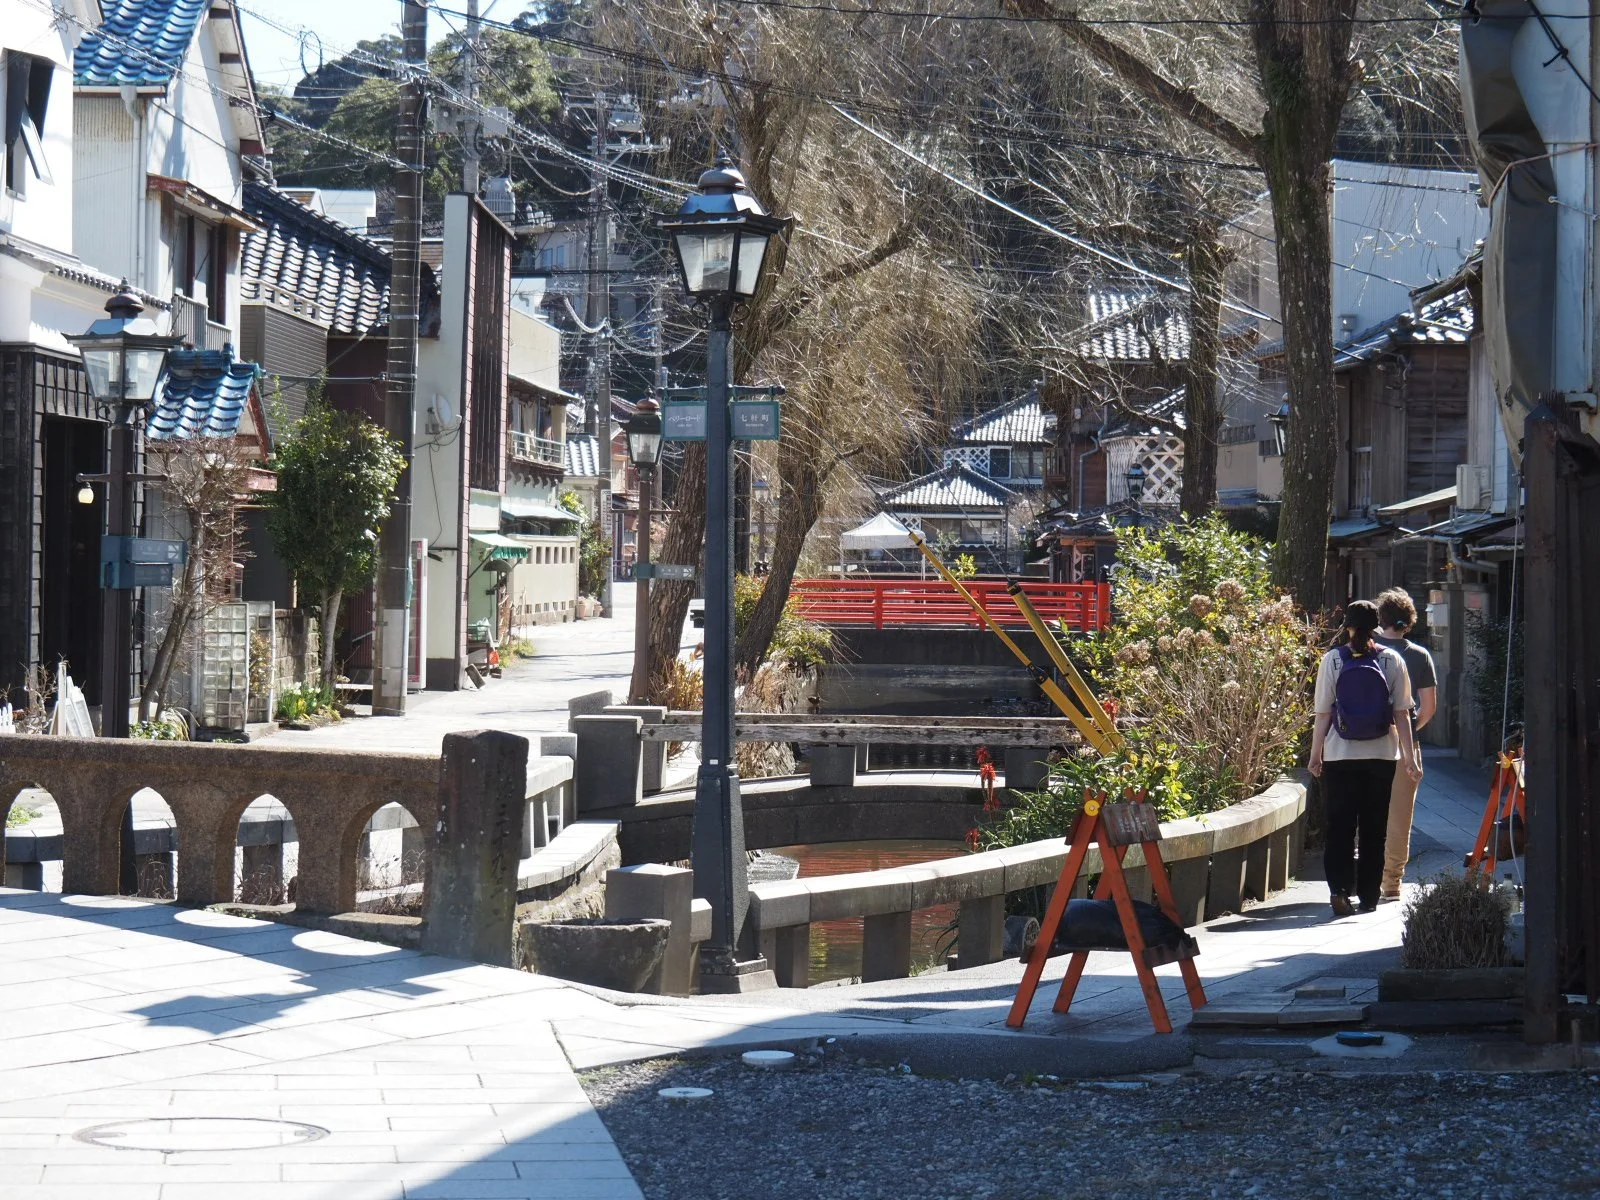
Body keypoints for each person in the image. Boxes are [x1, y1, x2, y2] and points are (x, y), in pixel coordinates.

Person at [1308, 600, 1421, 917]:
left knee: (1340, 826)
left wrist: (1316, 754)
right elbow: (1402, 714)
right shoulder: (1392, 660)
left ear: (1347, 627)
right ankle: (1370, 895)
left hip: (1340, 755)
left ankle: (1339, 890)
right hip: (1382, 755)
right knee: (1374, 828)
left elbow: (1323, 714)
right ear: (1376, 627)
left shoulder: (1332, 660)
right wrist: (1410, 759)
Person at [1374, 587, 1438, 901]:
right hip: (1405, 746)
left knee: (1366, 810)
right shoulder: (1419, 655)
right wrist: (1410, 730)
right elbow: (1428, 708)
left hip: (1362, 743)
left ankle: (1365, 878)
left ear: (1380, 617)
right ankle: (1391, 884)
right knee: (1400, 817)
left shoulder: (1362, 648)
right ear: (1409, 622)